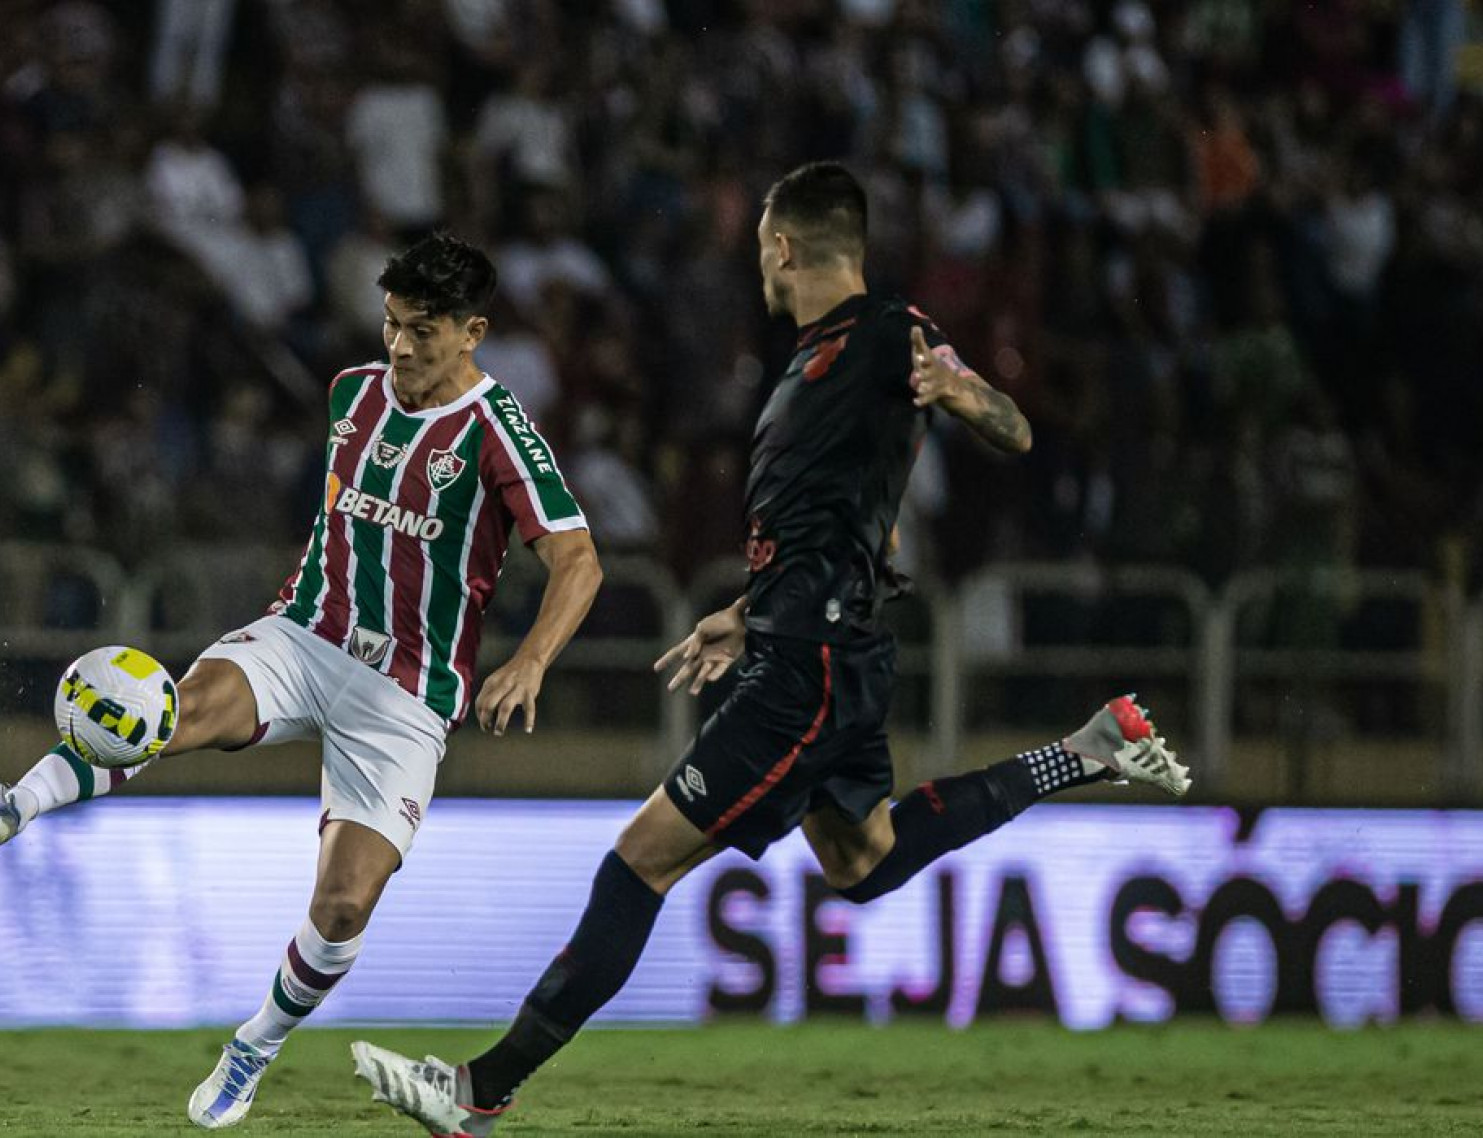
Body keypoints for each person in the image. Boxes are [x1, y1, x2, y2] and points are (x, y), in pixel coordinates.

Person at [350, 162, 1190, 1136]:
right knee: (863, 857)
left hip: (809, 668)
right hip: (816, 642)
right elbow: (834, 520)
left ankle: (478, 1091)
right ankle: (1087, 751)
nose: (757, 260)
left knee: (638, 864)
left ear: (783, 248)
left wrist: (963, 395)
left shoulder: (886, 336)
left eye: (759, 245)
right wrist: (748, 610)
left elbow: (1014, 427)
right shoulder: (813, 359)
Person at [0, 232, 602, 1130]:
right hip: (304, 634)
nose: (401, 348)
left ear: (472, 331)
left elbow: (578, 561)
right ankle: (10, 808)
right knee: (162, 713)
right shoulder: (351, 394)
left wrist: (529, 660)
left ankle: (254, 1041)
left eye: (422, 331)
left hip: (405, 692)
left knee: (341, 905)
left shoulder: (497, 432)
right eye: (391, 325)